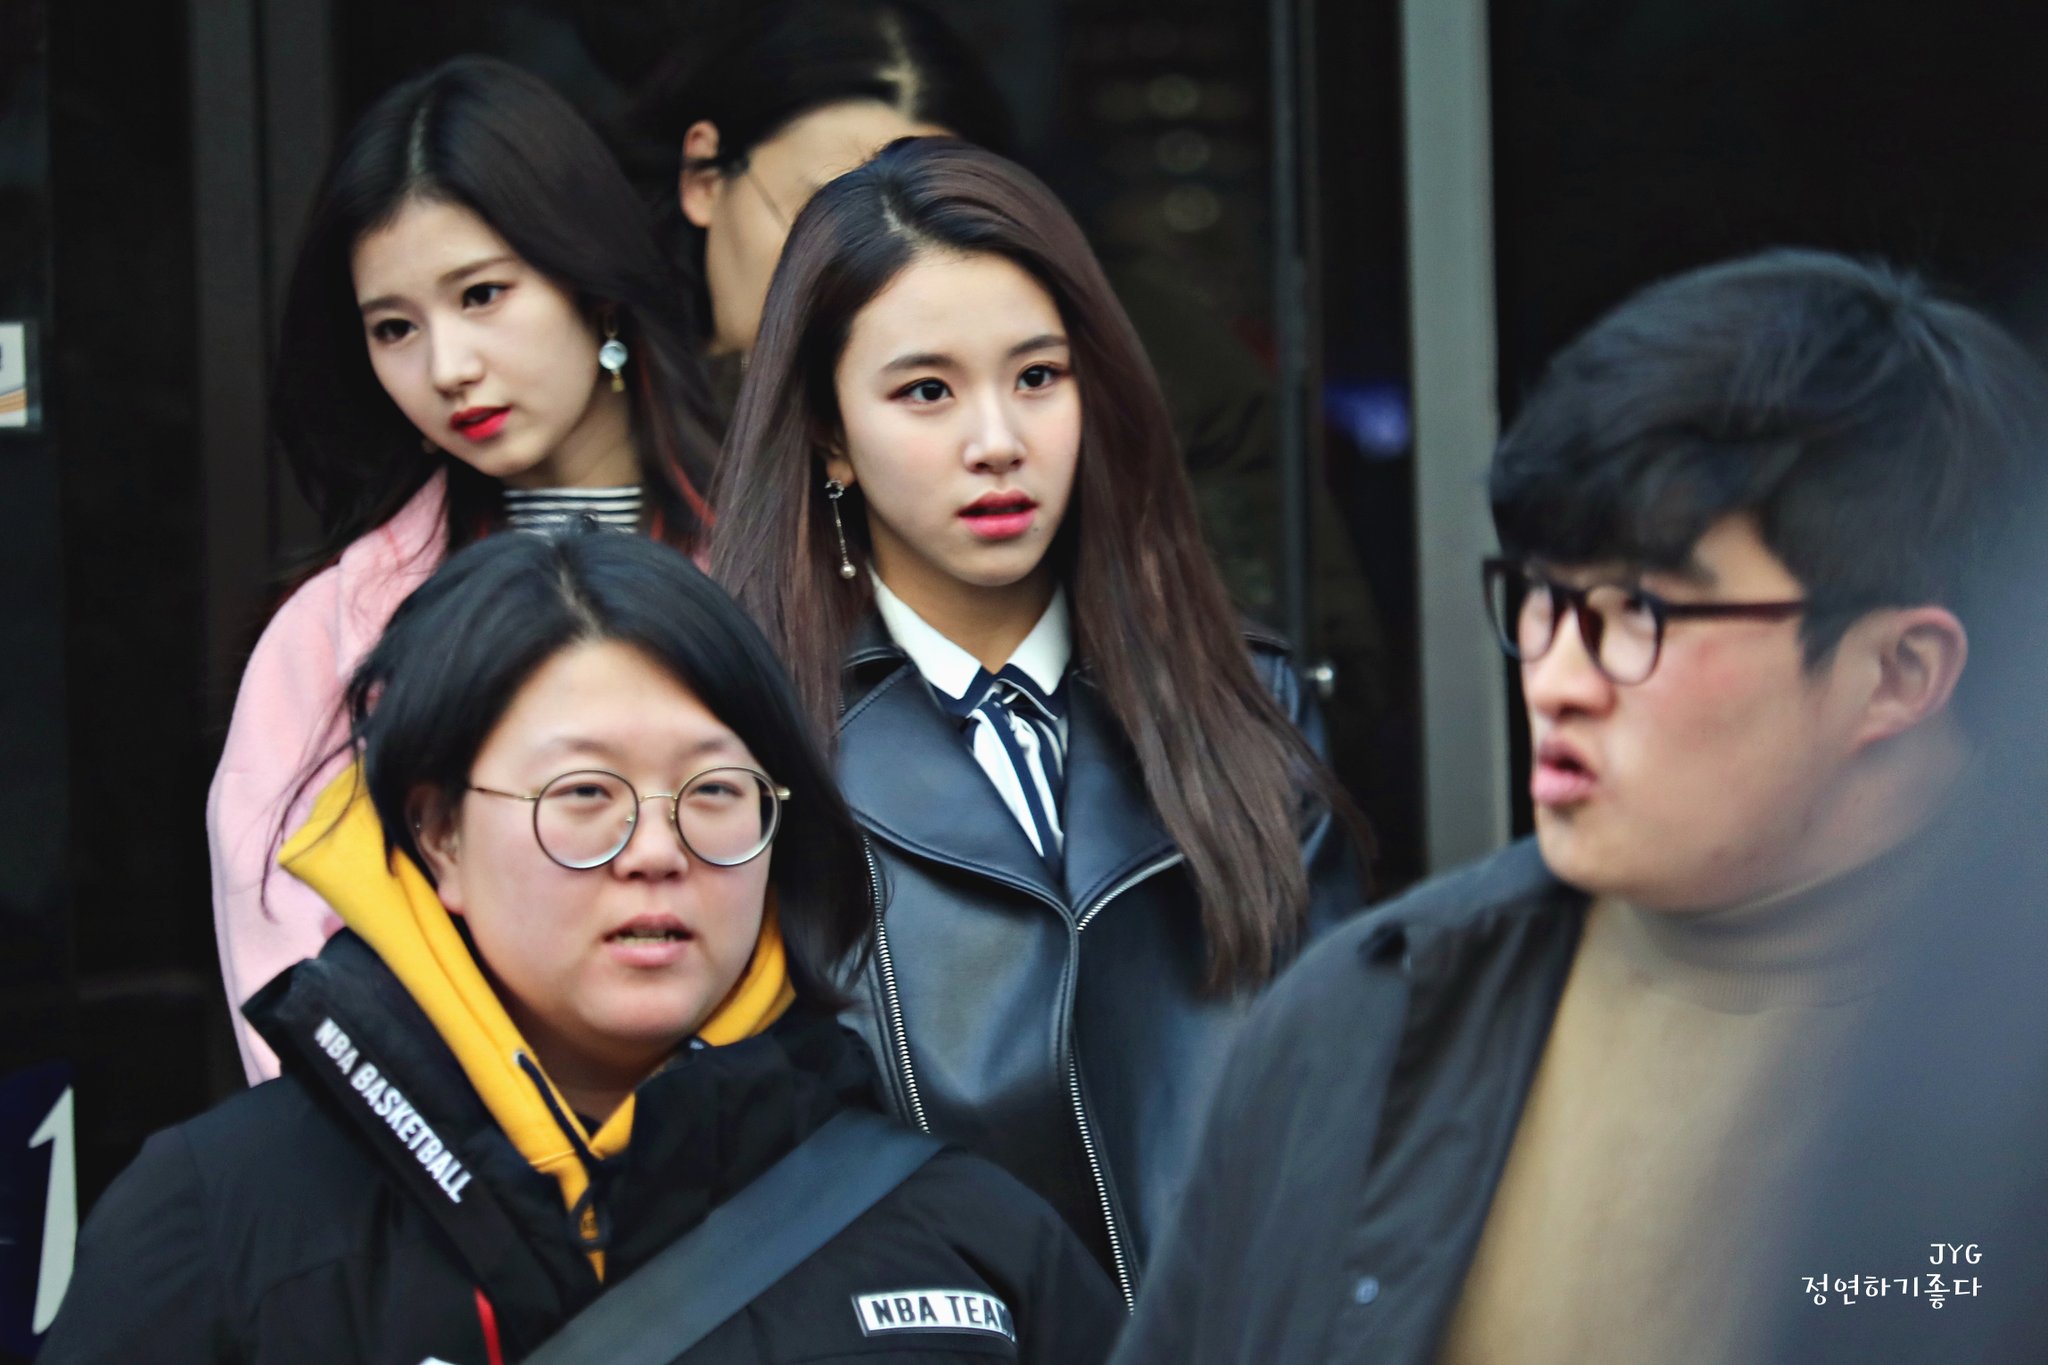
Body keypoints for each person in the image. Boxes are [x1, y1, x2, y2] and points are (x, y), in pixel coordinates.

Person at [1110, 249, 2048, 1365]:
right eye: (1542, 598)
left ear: (1898, 672)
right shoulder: (1368, 1019)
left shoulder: (2000, 1056)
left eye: (1638, 611)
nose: (1555, 676)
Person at [47, 530, 1121, 1364]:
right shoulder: (219, 1218)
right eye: (583, 794)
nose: (655, 850)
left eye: (714, 791)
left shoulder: (963, 1235)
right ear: (439, 834)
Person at [710, 137, 1367, 1303]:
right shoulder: (750, 752)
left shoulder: (1245, 705)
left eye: (1037, 377)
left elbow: (1345, 1124)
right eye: (925, 391)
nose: (997, 443)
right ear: (828, 434)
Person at [616, 0, 1391, 757]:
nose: (880, 263)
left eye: (926, 212)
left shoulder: (1146, 374)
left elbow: (1304, 681)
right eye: (822, 212)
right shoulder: (608, 395)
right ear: (704, 176)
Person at [209, 56, 723, 1081]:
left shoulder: (782, 562)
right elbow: (289, 999)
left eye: (482, 294)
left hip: (765, 1152)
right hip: (438, 1169)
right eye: (394, 328)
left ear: (594, 288)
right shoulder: (335, 633)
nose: (447, 367)